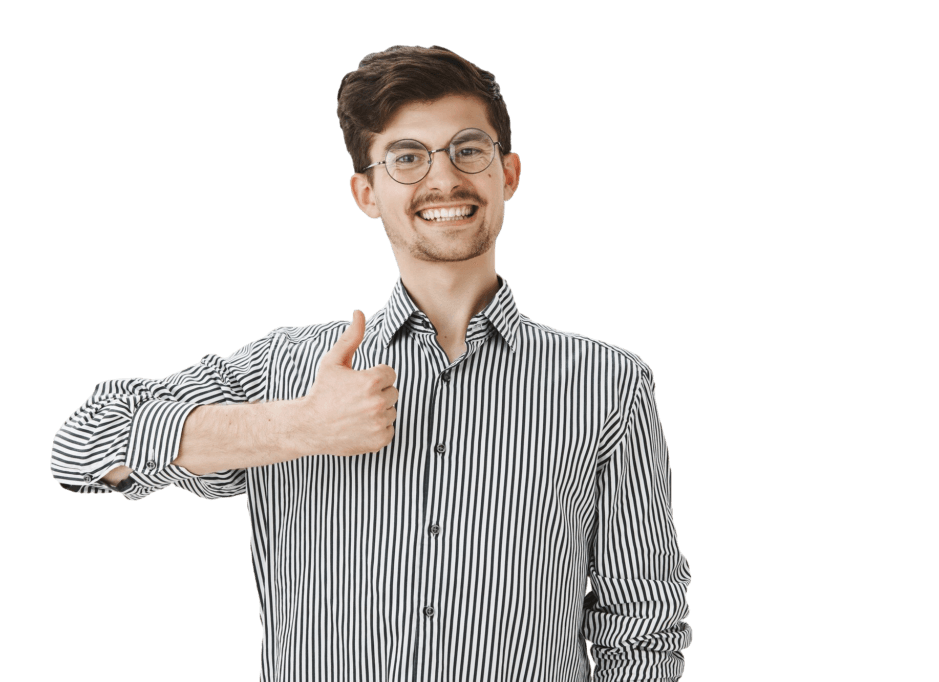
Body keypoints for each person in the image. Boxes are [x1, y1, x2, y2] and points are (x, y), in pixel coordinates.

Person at [50, 44, 693, 681]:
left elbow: (645, 629)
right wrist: (296, 428)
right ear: (366, 193)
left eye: (469, 149)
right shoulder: (288, 369)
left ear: (509, 174)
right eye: (406, 158)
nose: (443, 179)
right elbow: (78, 446)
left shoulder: (609, 383)